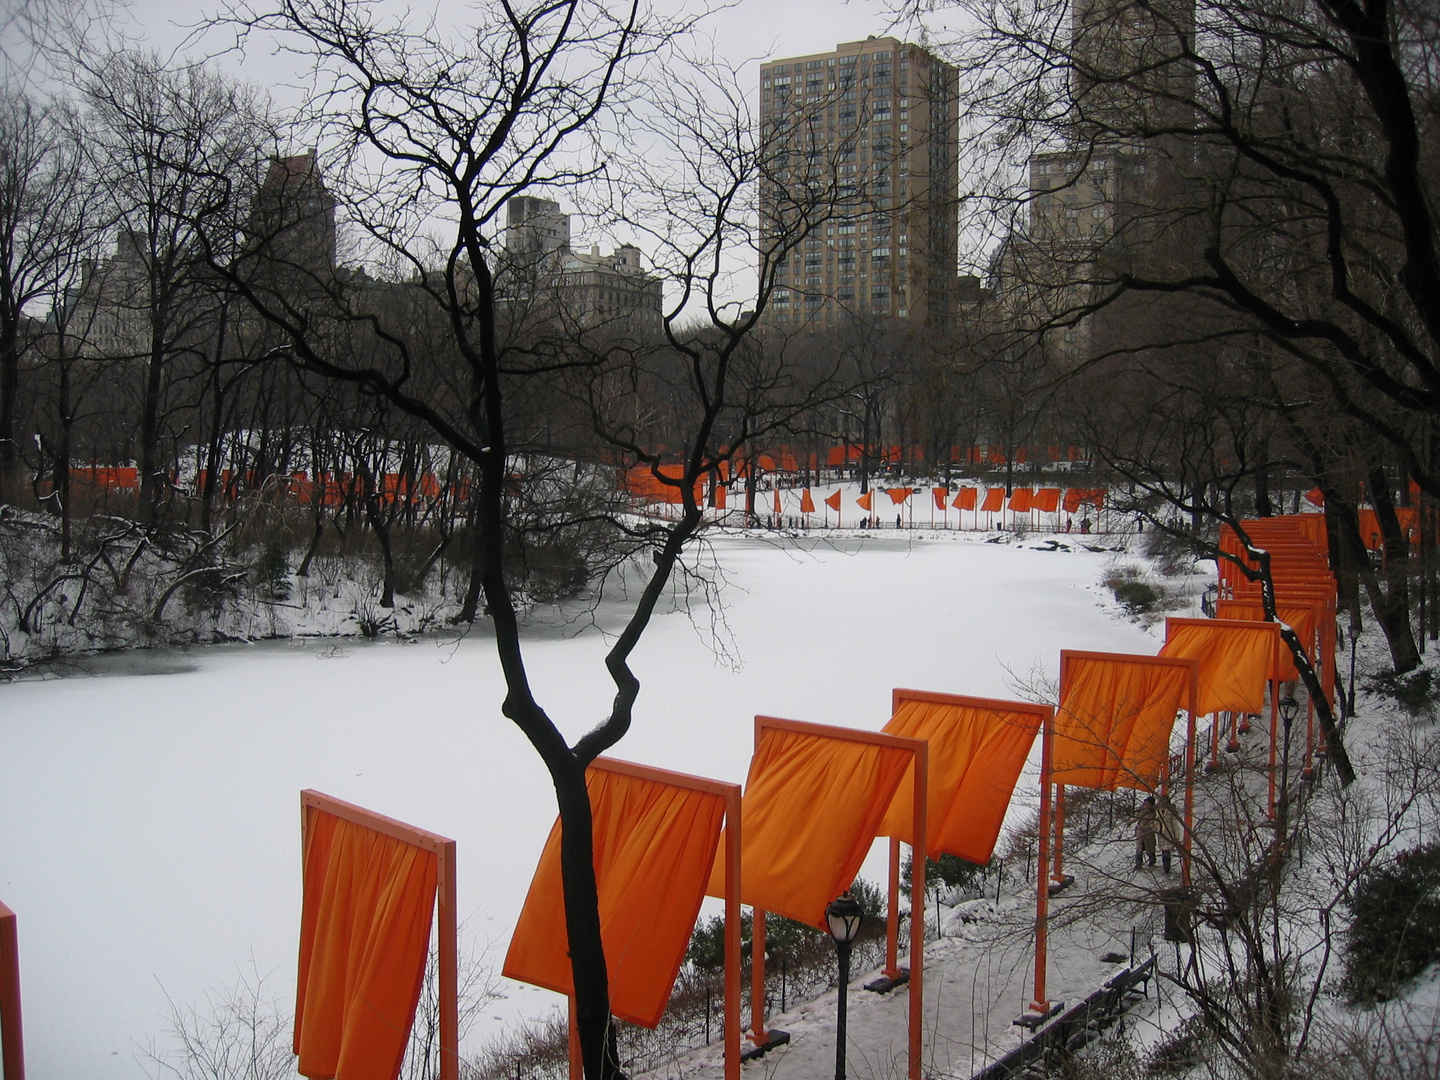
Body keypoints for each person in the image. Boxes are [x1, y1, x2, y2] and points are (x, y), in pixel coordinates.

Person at [1157, 793, 1181, 874]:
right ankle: (1165, 865)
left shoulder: (1170, 812)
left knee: (1167, 851)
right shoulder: (1158, 811)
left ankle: (1167, 867)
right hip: (1161, 834)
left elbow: (1175, 825)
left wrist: (1176, 836)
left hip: (1169, 833)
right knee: (1163, 850)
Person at [1135, 795, 1158, 870]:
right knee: (1139, 848)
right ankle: (1138, 863)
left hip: (1149, 833)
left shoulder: (1153, 813)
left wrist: (1149, 827)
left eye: (1147, 803)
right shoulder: (1142, 811)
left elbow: (1153, 823)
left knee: (1150, 849)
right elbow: (1137, 817)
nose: (1145, 805)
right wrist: (1130, 821)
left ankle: (1152, 861)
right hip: (1140, 832)